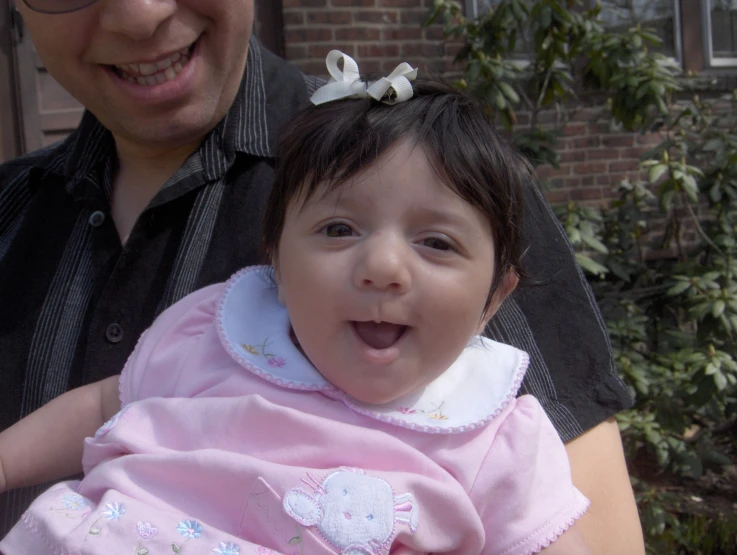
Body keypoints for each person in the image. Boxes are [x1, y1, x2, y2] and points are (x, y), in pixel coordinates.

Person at [0, 1, 642, 553]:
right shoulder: (215, 327)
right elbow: (106, 403)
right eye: (339, 231)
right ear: (273, 259)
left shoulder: (492, 429)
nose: (385, 268)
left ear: (495, 297)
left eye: (436, 243)